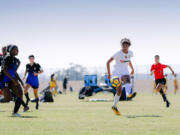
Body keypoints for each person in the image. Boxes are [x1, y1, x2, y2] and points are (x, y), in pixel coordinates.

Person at [107, 38, 134, 115]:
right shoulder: (118, 53)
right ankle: (115, 106)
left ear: (129, 46)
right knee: (119, 90)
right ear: (121, 45)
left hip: (125, 72)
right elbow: (108, 62)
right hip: (116, 73)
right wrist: (109, 74)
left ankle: (129, 95)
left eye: (126, 45)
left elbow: (129, 60)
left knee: (128, 84)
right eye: (123, 45)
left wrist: (132, 68)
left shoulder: (131, 53)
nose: (124, 46)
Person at [2, 45, 29, 117]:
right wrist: (12, 79)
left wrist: (21, 81)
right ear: (10, 50)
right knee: (7, 99)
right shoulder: (7, 58)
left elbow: (14, 72)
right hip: (5, 80)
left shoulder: (18, 61)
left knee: (20, 93)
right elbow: (4, 70)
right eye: (15, 49)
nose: (17, 51)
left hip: (13, 80)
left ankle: (15, 112)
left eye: (17, 49)